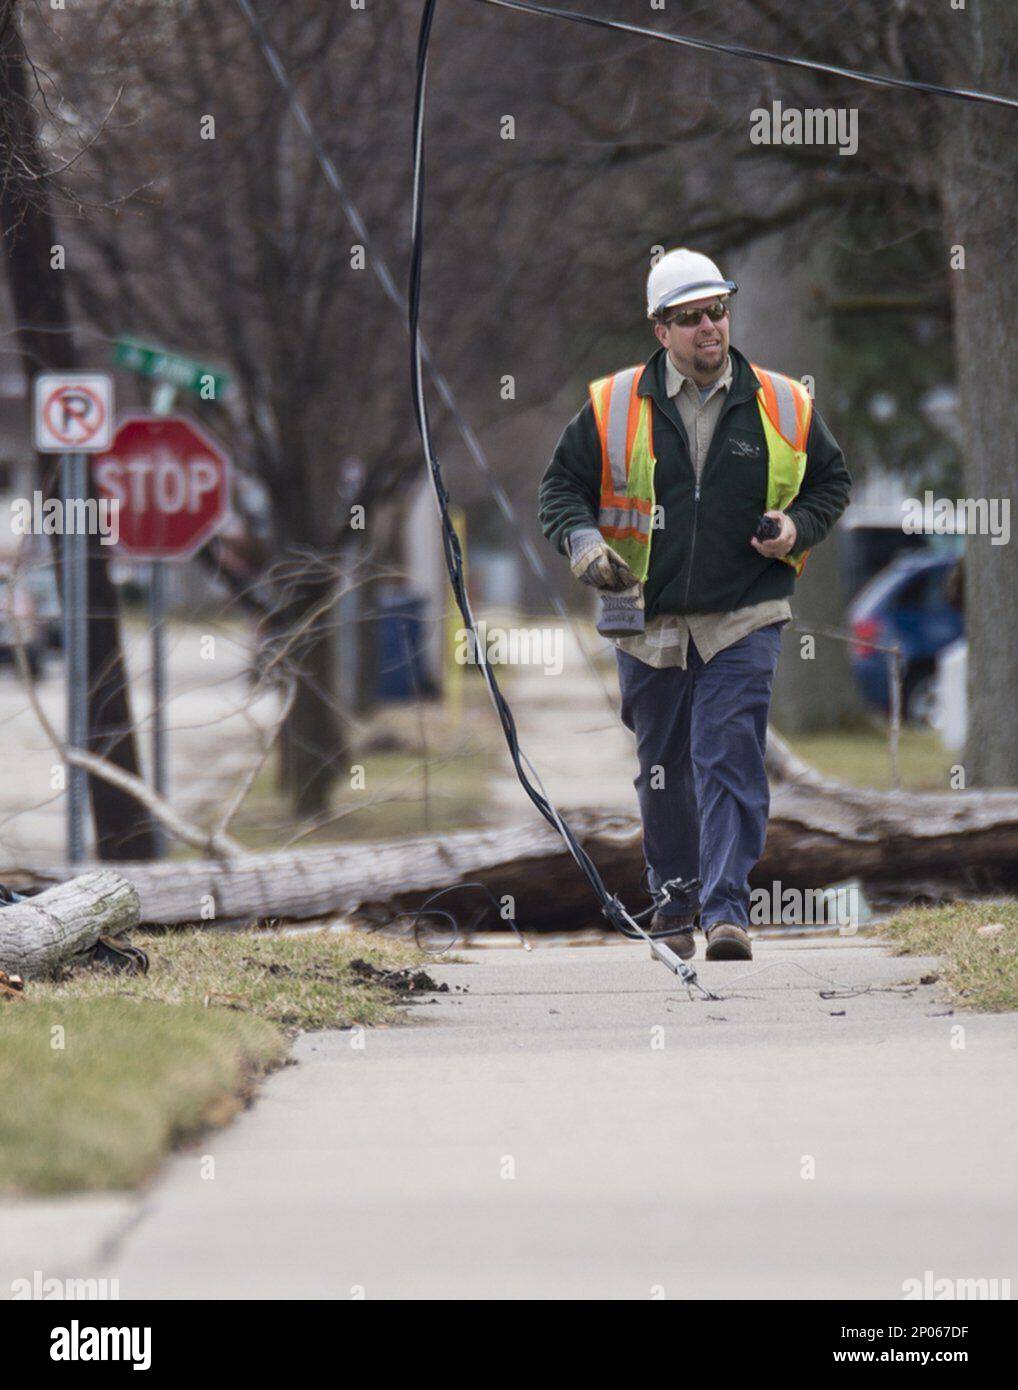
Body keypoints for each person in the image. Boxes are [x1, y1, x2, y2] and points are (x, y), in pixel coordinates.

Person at [538, 248, 851, 961]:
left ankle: (728, 913)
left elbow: (832, 482)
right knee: (664, 765)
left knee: (728, 750)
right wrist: (584, 545)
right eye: (691, 318)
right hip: (645, 620)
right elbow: (559, 490)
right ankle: (675, 901)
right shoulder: (613, 405)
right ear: (661, 330)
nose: (710, 327)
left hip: (746, 610)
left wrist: (797, 527)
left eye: (718, 310)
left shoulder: (782, 402)